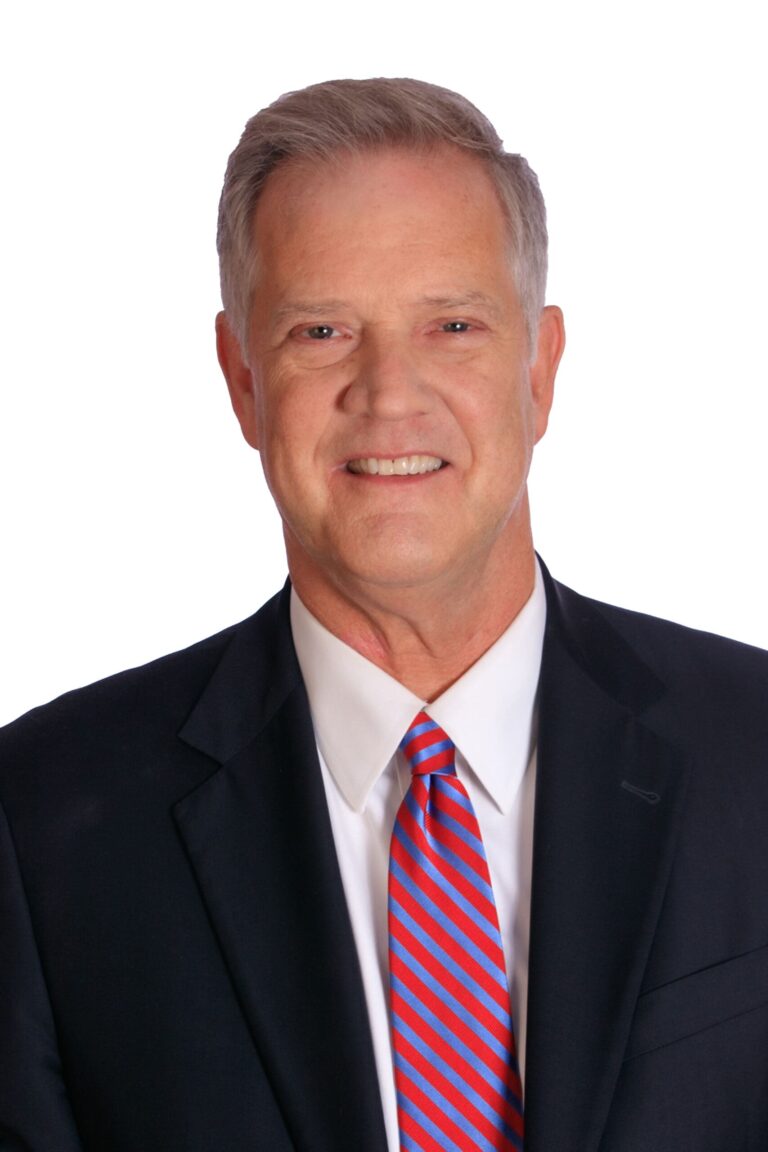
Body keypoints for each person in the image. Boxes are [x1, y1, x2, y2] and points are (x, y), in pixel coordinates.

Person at [1, 78, 766, 1152]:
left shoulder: (755, 753)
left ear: (540, 370)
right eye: (321, 330)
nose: (389, 393)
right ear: (242, 381)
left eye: (452, 324)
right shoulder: (41, 824)